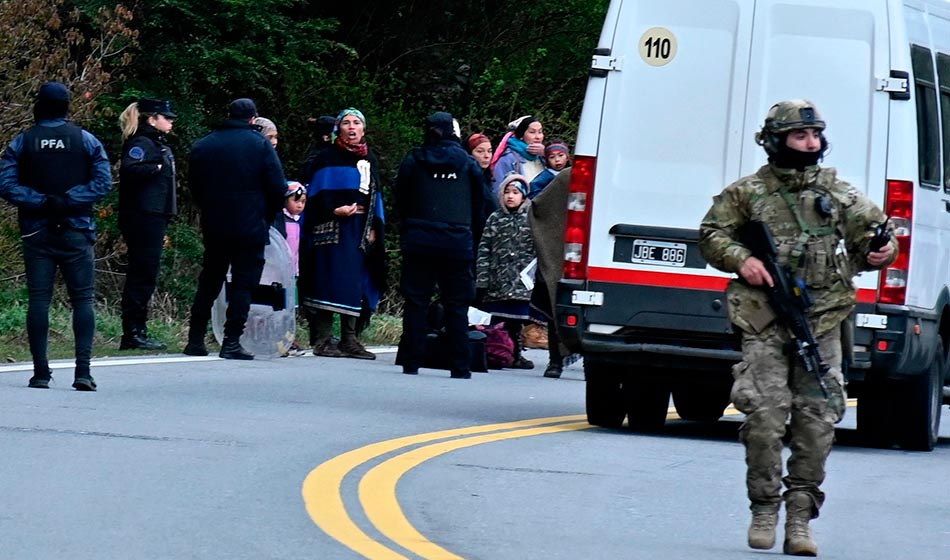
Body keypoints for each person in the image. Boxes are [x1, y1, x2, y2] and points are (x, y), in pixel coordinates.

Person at [698, 99, 897, 556]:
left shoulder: (839, 194)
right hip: (765, 320)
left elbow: (873, 239)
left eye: (815, 136)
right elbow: (711, 234)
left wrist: (880, 252)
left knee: (817, 423)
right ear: (776, 140)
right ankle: (764, 506)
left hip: (823, 321)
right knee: (765, 418)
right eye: (799, 136)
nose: (810, 144)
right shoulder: (748, 193)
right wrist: (742, 259)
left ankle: (801, 516)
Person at [0, 81, 112, 390]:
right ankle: (83, 372)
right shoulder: (86, 140)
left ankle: (40, 372)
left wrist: (41, 201)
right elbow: (103, 182)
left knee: (39, 299)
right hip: (77, 228)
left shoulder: (23, 142)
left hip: (37, 229)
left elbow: (6, 184)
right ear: (67, 107)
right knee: (83, 299)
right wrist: (70, 199)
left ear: (39, 105)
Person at [394, 111, 496, 378]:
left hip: (419, 238)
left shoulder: (415, 159)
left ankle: (411, 361)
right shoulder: (467, 163)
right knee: (456, 304)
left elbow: (400, 198)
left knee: (416, 301)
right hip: (457, 240)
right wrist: (470, 235)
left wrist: (410, 227)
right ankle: (460, 366)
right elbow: (483, 204)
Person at [184, 98, 287, 360]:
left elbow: (194, 185)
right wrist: (267, 214)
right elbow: (277, 186)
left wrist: (207, 208)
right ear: (252, 119)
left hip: (215, 221)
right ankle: (231, 341)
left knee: (210, 279)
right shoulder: (260, 144)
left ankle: (195, 338)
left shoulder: (204, 144)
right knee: (243, 283)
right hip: (250, 223)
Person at [299, 108, 385, 360]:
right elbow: (313, 194)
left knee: (355, 281)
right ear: (339, 129)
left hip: (358, 230)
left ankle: (350, 338)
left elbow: (375, 196)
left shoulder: (370, 159)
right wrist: (333, 209)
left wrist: (373, 226)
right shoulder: (325, 158)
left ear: (363, 129)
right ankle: (324, 339)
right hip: (330, 229)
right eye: (346, 123)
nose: (351, 127)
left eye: (356, 123)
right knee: (328, 279)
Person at [117, 97, 179, 351]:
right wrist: (155, 167)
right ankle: (133, 332)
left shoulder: (155, 143)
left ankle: (137, 329)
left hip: (153, 215)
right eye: (166, 117)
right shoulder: (142, 143)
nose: (171, 121)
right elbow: (130, 169)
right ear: (152, 119)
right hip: (144, 216)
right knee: (142, 274)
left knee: (146, 274)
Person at [476, 173, 537, 370]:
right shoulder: (495, 218)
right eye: (507, 192)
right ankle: (496, 351)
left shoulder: (532, 218)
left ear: (524, 195)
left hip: (522, 282)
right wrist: (482, 279)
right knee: (498, 320)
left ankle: (516, 353)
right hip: (498, 279)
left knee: (516, 321)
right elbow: (485, 248)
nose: (510, 196)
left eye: (516, 192)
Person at [528, 167, 574, 378]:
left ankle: (557, 362)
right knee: (557, 304)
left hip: (590, 258)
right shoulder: (569, 176)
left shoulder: (571, 175)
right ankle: (555, 360)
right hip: (563, 254)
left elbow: (538, 205)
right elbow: (540, 205)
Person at [273, 180, 306, 355]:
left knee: (291, 307)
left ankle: (288, 340)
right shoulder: (279, 219)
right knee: (278, 307)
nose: (300, 205)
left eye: (303, 202)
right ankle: (277, 341)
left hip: (293, 272)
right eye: (296, 201)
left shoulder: (299, 221)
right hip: (278, 273)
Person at [491, 115, 545, 194]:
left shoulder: (543, 157)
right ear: (521, 136)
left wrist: (546, 154)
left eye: (540, 132)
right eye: (532, 132)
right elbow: (498, 190)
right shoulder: (508, 158)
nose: (538, 137)